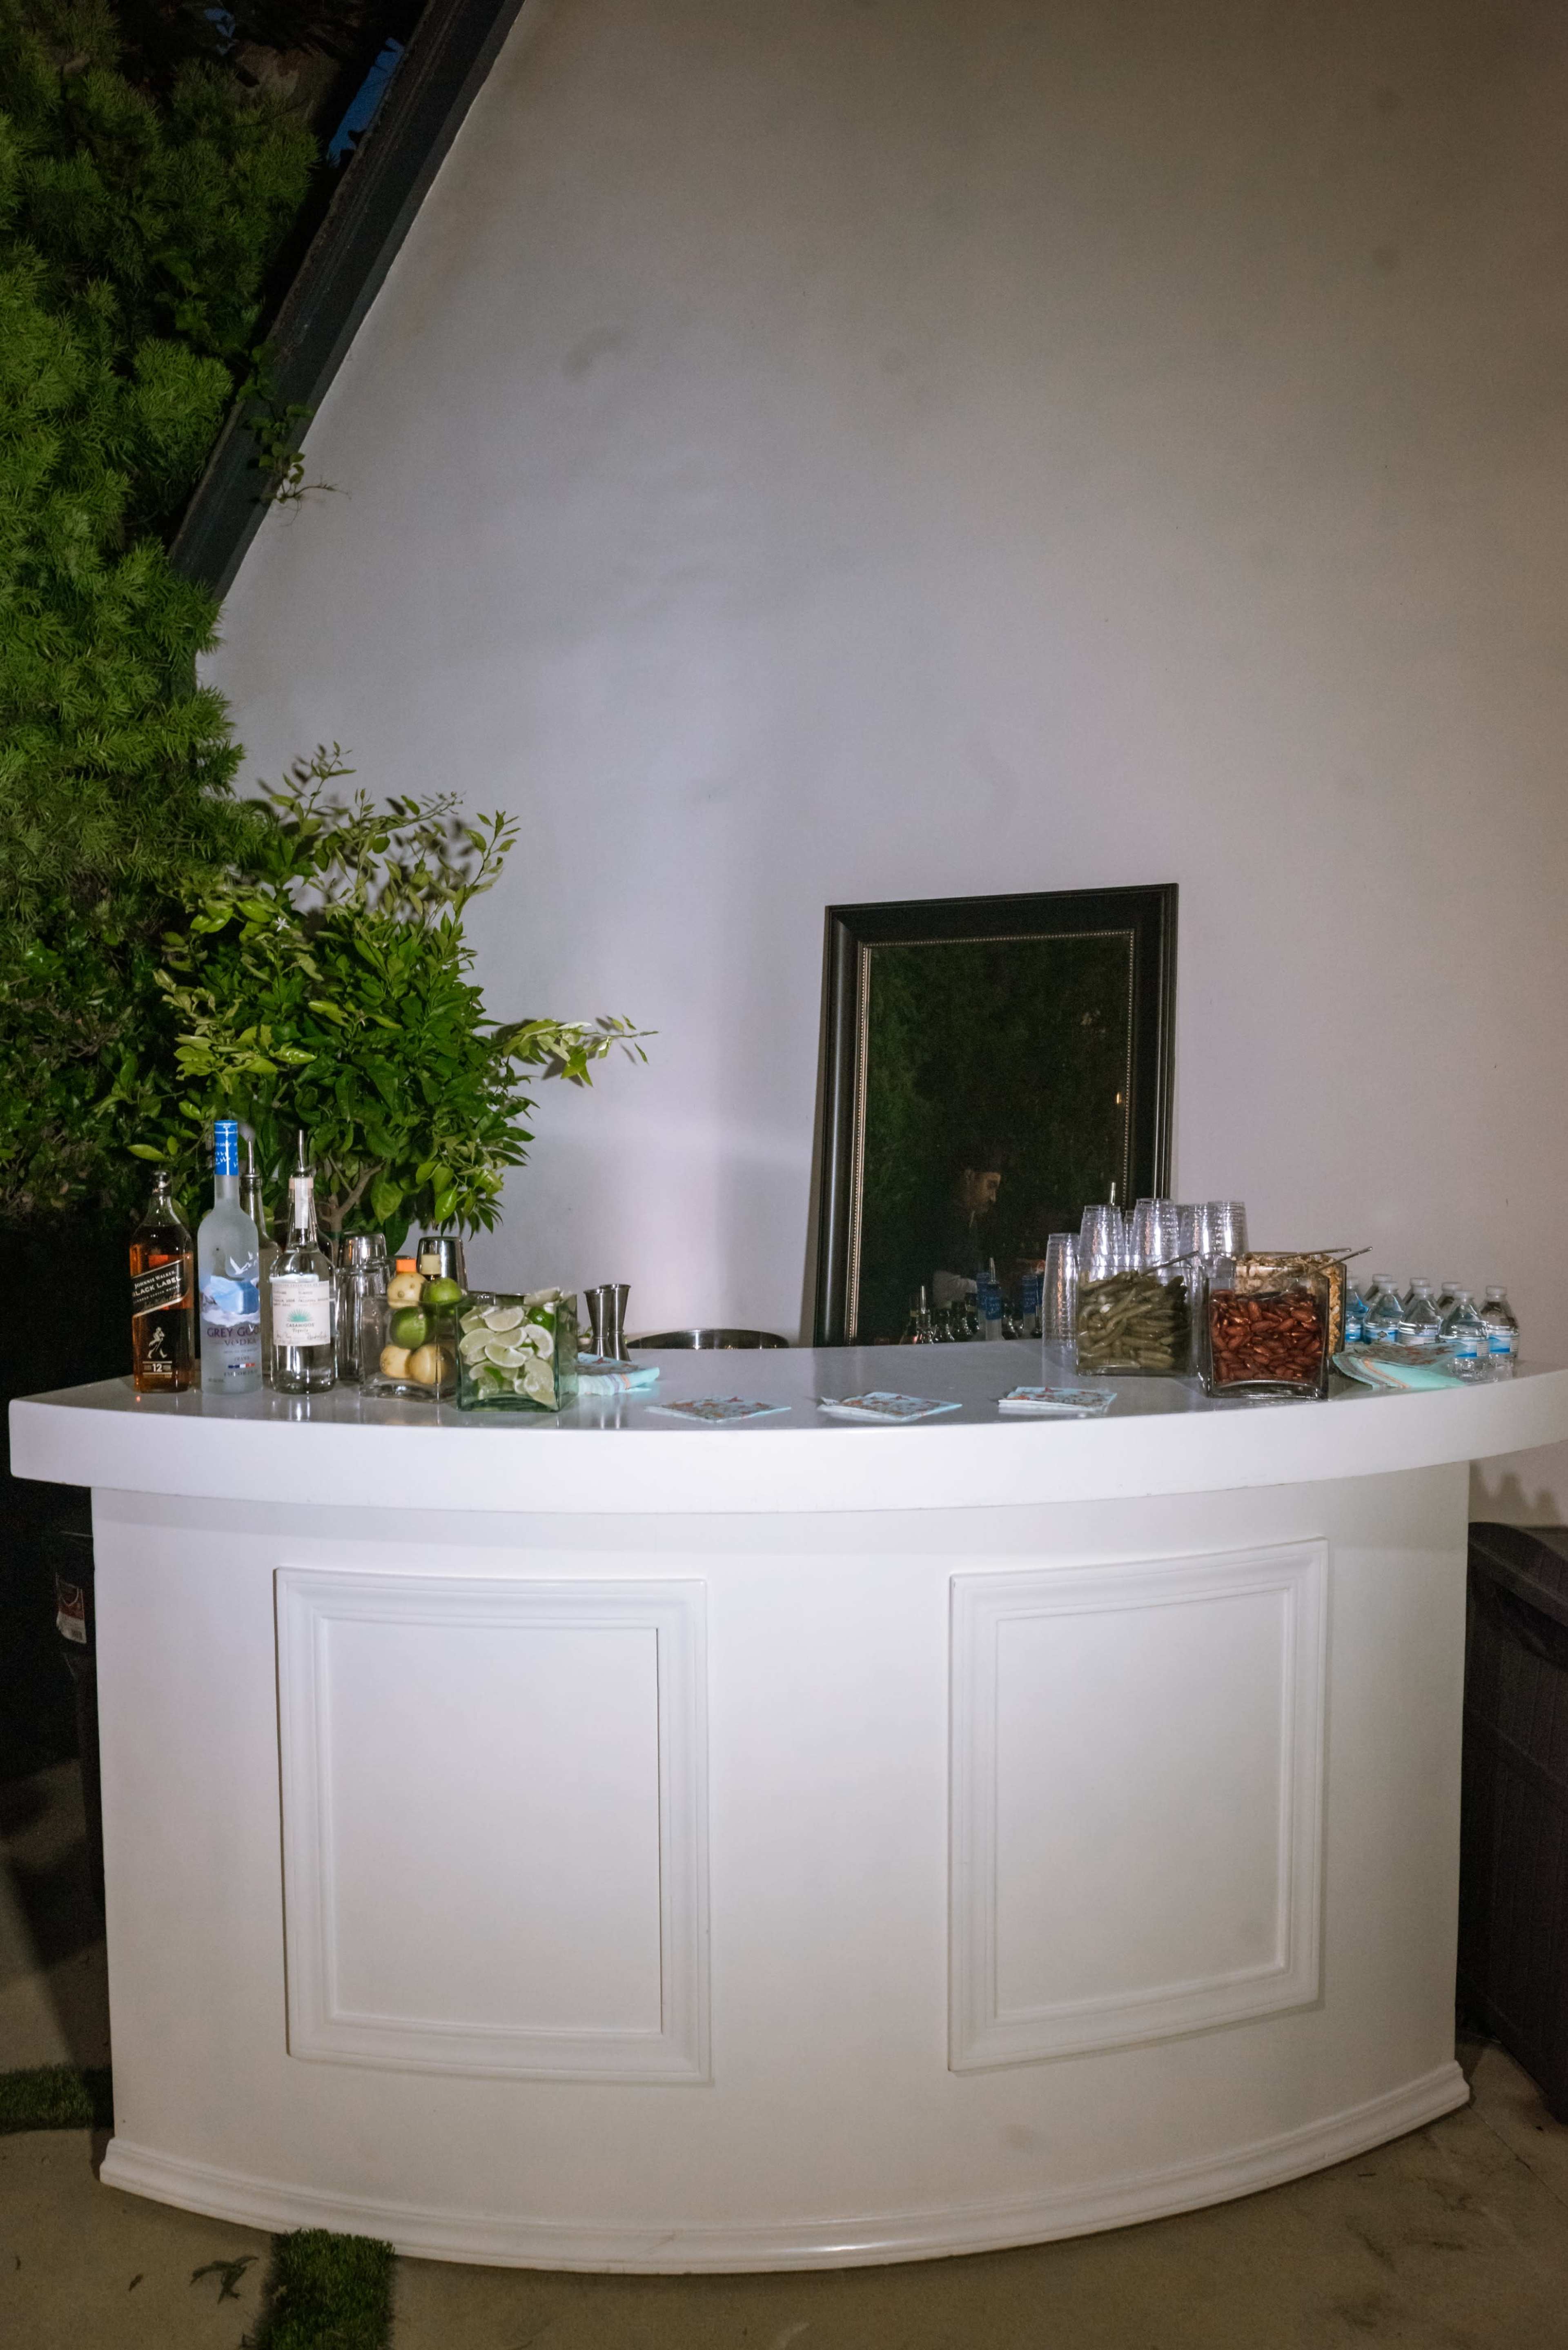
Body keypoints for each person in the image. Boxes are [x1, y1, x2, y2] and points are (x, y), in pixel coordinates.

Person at [931, 1147, 1004, 1309]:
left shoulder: (969, 1217)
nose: (993, 1198)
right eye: (990, 1186)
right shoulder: (949, 1218)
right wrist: (997, 1291)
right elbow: (944, 1288)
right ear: (969, 1177)